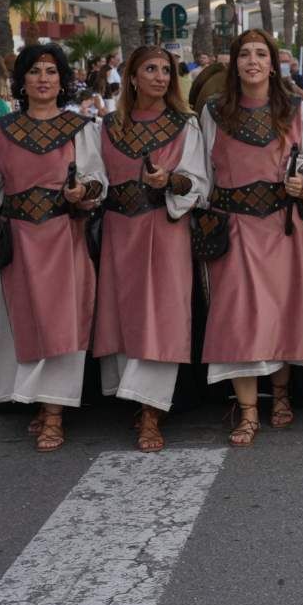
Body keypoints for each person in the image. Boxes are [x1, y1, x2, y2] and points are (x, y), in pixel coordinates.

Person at [0, 43, 106, 452]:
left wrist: (80, 192)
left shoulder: (80, 128)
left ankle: (54, 413)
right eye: (35, 71)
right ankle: (38, 401)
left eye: (51, 71)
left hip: (65, 240)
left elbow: (96, 181)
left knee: (63, 323)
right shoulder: (0, 131)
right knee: (22, 324)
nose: (43, 79)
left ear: (62, 80)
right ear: (23, 80)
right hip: (17, 244)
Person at [202, 31, 303, 446]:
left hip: (282, 226)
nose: (252, 61)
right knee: (237, 317)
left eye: (261, 54)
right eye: (245, 55)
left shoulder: (294, 109)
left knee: (282, 311)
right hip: (233, 226)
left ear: (273, 64)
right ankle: (249, 411)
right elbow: (203, 170)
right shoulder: (214, 112)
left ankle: (281, 396)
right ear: (234, 64)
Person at [93, 46, 208, 451]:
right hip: (118, 233)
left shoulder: (185, 126)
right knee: (124, 316)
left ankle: (151, 414)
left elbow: (199, 181)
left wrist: (170, 182)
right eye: (151, 69)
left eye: (167, 71)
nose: (160, 77)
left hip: (165, 230)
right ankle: (132, 401)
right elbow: (94, 177)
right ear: (132, 77)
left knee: (162, 316)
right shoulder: (106, 126)